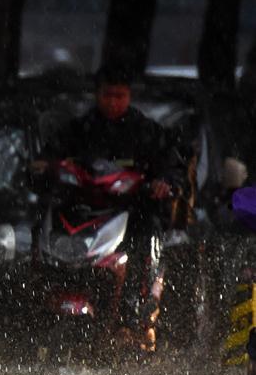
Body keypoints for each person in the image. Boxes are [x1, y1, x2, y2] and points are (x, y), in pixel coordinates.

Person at [32, 65, 186, 351]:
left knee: (146, 233)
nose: (113, 102)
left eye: (119, 96)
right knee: (39, 223)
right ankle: (34, 300)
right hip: (83, 209)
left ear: (128, 96)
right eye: (107, 95)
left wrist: (163, 183)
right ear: (97, 95)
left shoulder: (146, 131)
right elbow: (47, 159)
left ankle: (132, 312)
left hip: (132, 210)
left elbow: (173, 168)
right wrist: (45, 168)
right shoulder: (80, 128)